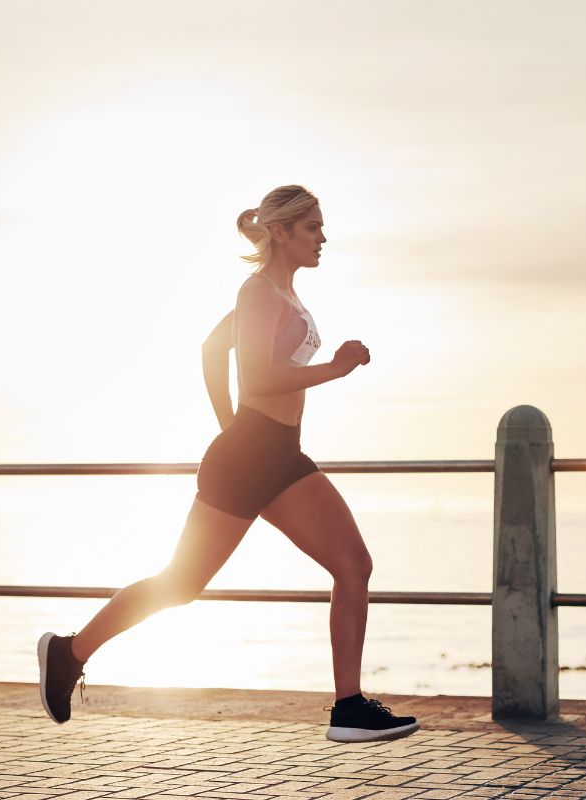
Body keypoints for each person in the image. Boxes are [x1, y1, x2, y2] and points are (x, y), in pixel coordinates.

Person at [37, 185, 420, 743]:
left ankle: (348, 706)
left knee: (353, 564)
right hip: (249, 457)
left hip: (279, 454)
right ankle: (68, 654)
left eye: (322, 226)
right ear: (282, 232)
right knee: (180, 584)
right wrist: (330, 371)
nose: (323, 237)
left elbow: (213, 351)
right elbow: (258, 378)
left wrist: (233, 427)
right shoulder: (257, 291)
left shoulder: (280, 295)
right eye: (312, 227)